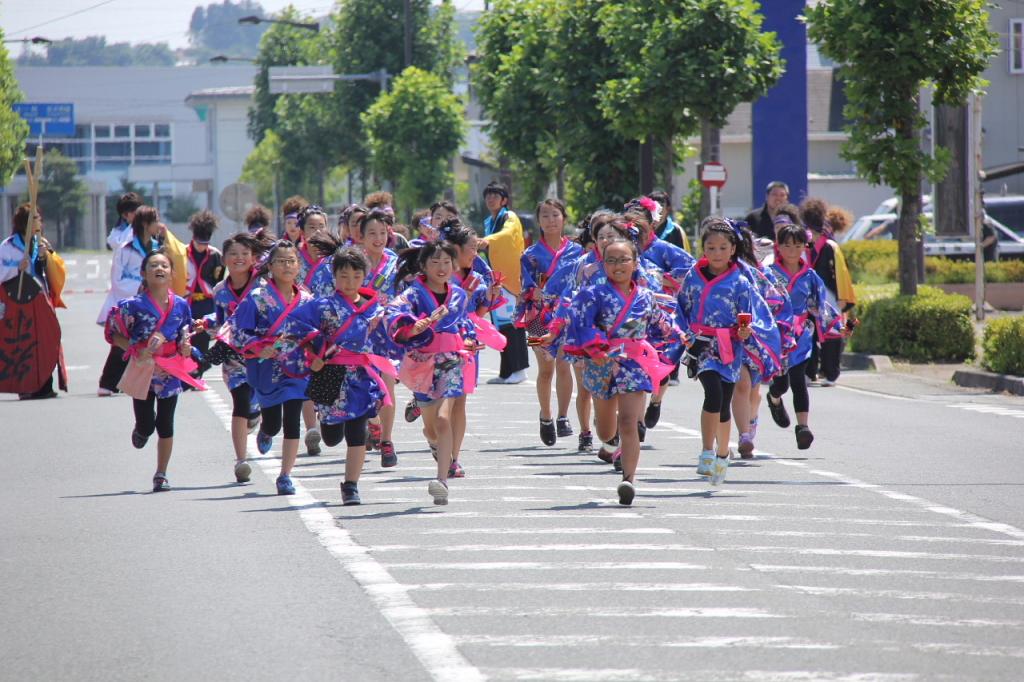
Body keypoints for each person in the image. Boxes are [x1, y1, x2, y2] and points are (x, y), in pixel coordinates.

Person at [563, 237, 681, 506]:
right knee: (606, 431)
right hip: (601, 362)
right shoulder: (592, 294)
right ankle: (608, 441)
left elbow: (661, 328)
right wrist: (596, 347)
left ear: (635, 263)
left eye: (624, 259)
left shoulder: (646, 297)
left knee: (629, 421)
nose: (618, 265)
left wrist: (680, 337)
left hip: (634, 363)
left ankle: (628, 480)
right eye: (611, 260)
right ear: (603, 264)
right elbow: (580, 324)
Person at [676, 217, 781, 486]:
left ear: (733, 249)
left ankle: (723, 454)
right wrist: (684, 334)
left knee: (723, 403)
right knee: (712, 393)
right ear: (703, 249)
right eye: (711, 248)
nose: (717, 253)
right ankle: (707, 452)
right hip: (701, 345)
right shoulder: (693, 277)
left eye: (723, 248)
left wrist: (745, 331)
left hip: (729, 348)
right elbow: (681, 308)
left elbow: (749, 317)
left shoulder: (741, 282)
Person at [289, 247, 391, 506]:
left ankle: (351, 486)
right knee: (332, 437)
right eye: (344, 276)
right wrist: (314, 352)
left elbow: (387, 336)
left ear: (364, 276)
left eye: (356, 276)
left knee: (356, 433)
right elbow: (296, 327)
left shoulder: (374, 308)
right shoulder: (322, 306)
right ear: (334, 276)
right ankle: (329, 426)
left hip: (361, 376)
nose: (350, 282)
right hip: (330, 373)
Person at [387, 240, 478, 505]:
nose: (441, 267)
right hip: (422, 364)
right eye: (435, 262)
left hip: (452, 360)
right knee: (431, 429)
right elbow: (393, 313)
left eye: (446, 262)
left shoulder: (459, 295)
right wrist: (413, 327)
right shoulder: (413, 294)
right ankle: (435, 444)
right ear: (424, 265)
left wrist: (469, 338)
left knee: (442, 418)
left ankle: (442, 480)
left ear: (454, 264)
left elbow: (465, 323)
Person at [104, 249, 198, 492]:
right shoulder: (131, 306)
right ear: (143, 273)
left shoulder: (181, 305)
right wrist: (135, 349)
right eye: (153, 265)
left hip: (170, 369)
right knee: (147, 424)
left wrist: (185, 347)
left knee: (166, 423)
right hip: (143, 368)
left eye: (164, 265)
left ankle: (161, 474)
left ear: (172, 273)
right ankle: (141, 430)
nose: (159, 269)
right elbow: (113, 334)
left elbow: (185, 333)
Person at [227, 240, 313, 495]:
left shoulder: (307, 299)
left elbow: (317, 330)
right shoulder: (256, 297)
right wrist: (257, 347)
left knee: (293, 419)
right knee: (274, 423)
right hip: (266, 368)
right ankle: (265, 429)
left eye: (291, 261)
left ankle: (285, 475)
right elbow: (237, 331)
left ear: (299, 265)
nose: (286, 266)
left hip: (297, 367)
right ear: (270, 266)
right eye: (280, 261)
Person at [766, 222, 843, 450]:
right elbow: (759, 303)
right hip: (776, 335)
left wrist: (836, 325)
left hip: (801, 335)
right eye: (787, 245)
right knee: (782, 383)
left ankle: (803, 427)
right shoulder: (768, 274)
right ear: (778, 246)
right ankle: (774, 398)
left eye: (797, 245)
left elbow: (821, 304)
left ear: (804, 247)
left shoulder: (810, 276)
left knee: (799, 379)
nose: (792, 250)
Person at [202, 232, 270, 483]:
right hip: (234, 358)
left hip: (264, 355)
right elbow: (220, 322)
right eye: (233, 254)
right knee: (240, 402)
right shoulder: (220, 291)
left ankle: (266, 425)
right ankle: (241, 460)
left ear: (253, 258)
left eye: (244, 254)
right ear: (224, 259)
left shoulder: (264, 286)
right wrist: (205, 324)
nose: (239, 258)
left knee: (265, 400)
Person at [516, 198, 583, 445]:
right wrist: (537, 292)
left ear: (564, 218)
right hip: (538, 318)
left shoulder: (578, 252)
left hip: (568, 317)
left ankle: (563, 417)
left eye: (555, 215)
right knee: (545, 370)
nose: (551, 220)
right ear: (538, 221)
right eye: (545, 216)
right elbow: (526, 288)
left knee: (565, 364)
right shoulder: (529, 255)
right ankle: (546, 416)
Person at [0, 203, 68, 399]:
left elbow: (54, 270)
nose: (40, 222)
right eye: (36, 218)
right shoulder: (8, 246)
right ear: (26, 222)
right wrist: (16, 268)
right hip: (18, 302)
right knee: (23, 343)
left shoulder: (41, 243)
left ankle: (45, 385)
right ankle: (26, 387)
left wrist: (47, 257)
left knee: (45, 341)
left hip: (40, 301)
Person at [97, 206, 166, 396]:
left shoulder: (157, 248)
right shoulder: (125, 248)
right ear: (145, 224)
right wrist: (141, 286)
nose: (158, 225)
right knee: (122, 344)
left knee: (145, 343)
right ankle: (107, 383)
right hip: (128, 304)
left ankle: (136, 383)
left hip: (151, 303)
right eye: (155, 221)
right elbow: (117, 280)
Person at [354, 208, 403, 466]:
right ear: (360, 236)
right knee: (364, 389)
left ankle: (387, 441)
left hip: (388, 335)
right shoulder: (353, 263)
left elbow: (406, 296)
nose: (378, 238)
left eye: (383, 233)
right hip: (359, 335)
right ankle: (373, 423)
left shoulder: (396, 264)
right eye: (372, 233)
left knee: (387, 387)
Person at [478, 182, 529, 385]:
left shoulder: (509, 216)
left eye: (495, 195)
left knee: (513, 324)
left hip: (510, 279)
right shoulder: (489, 221)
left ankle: (519, 369)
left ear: (504, 200)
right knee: (500, 325)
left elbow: (507, 235)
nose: (491, 199)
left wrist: (488, 240)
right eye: (488, 196)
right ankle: (506, 371)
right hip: (497, 279)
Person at [801, 198, 856, 386]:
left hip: (829, 296)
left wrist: (843, 297)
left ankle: (830, 373)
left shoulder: (831, 247)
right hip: (808, 295)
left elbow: (841, 273)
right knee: (807, 333)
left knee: (832, 334)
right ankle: (809, 371)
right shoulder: (804, 247)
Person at [184, 210, 224, 358]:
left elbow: (219, 282)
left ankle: (198, 369)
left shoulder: (215, 255)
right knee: (185, 340)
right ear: (193, 238)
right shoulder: (182, 253)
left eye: (205, 243)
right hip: (187, 302)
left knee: (202, 343)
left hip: (206, 304)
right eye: (199, 243)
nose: (202, 247)